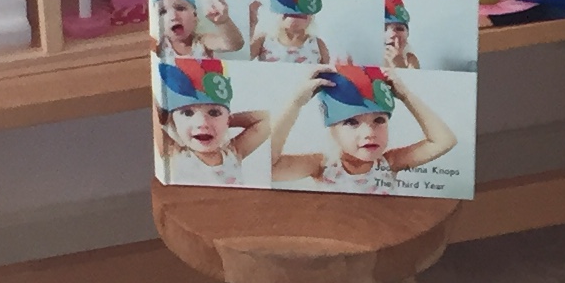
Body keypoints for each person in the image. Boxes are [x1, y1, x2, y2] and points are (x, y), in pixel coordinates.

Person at [268, 59, 458, 189]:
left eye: (379, 120)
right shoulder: (322, 166)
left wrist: (406, 96)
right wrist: (296, 103)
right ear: (332, 130)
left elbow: (444, 141)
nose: (369, 133)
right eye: (352, 122)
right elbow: (268, 166)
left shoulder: (390, 163)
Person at [157, 55, 268, 185]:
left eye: (214, 113)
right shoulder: (173, 154)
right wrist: (165, 117)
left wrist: (225, 122)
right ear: (173, 121)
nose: (202, 123)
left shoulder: (233, 153)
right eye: (187, 113)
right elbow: (152, 106)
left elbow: (265, 119)